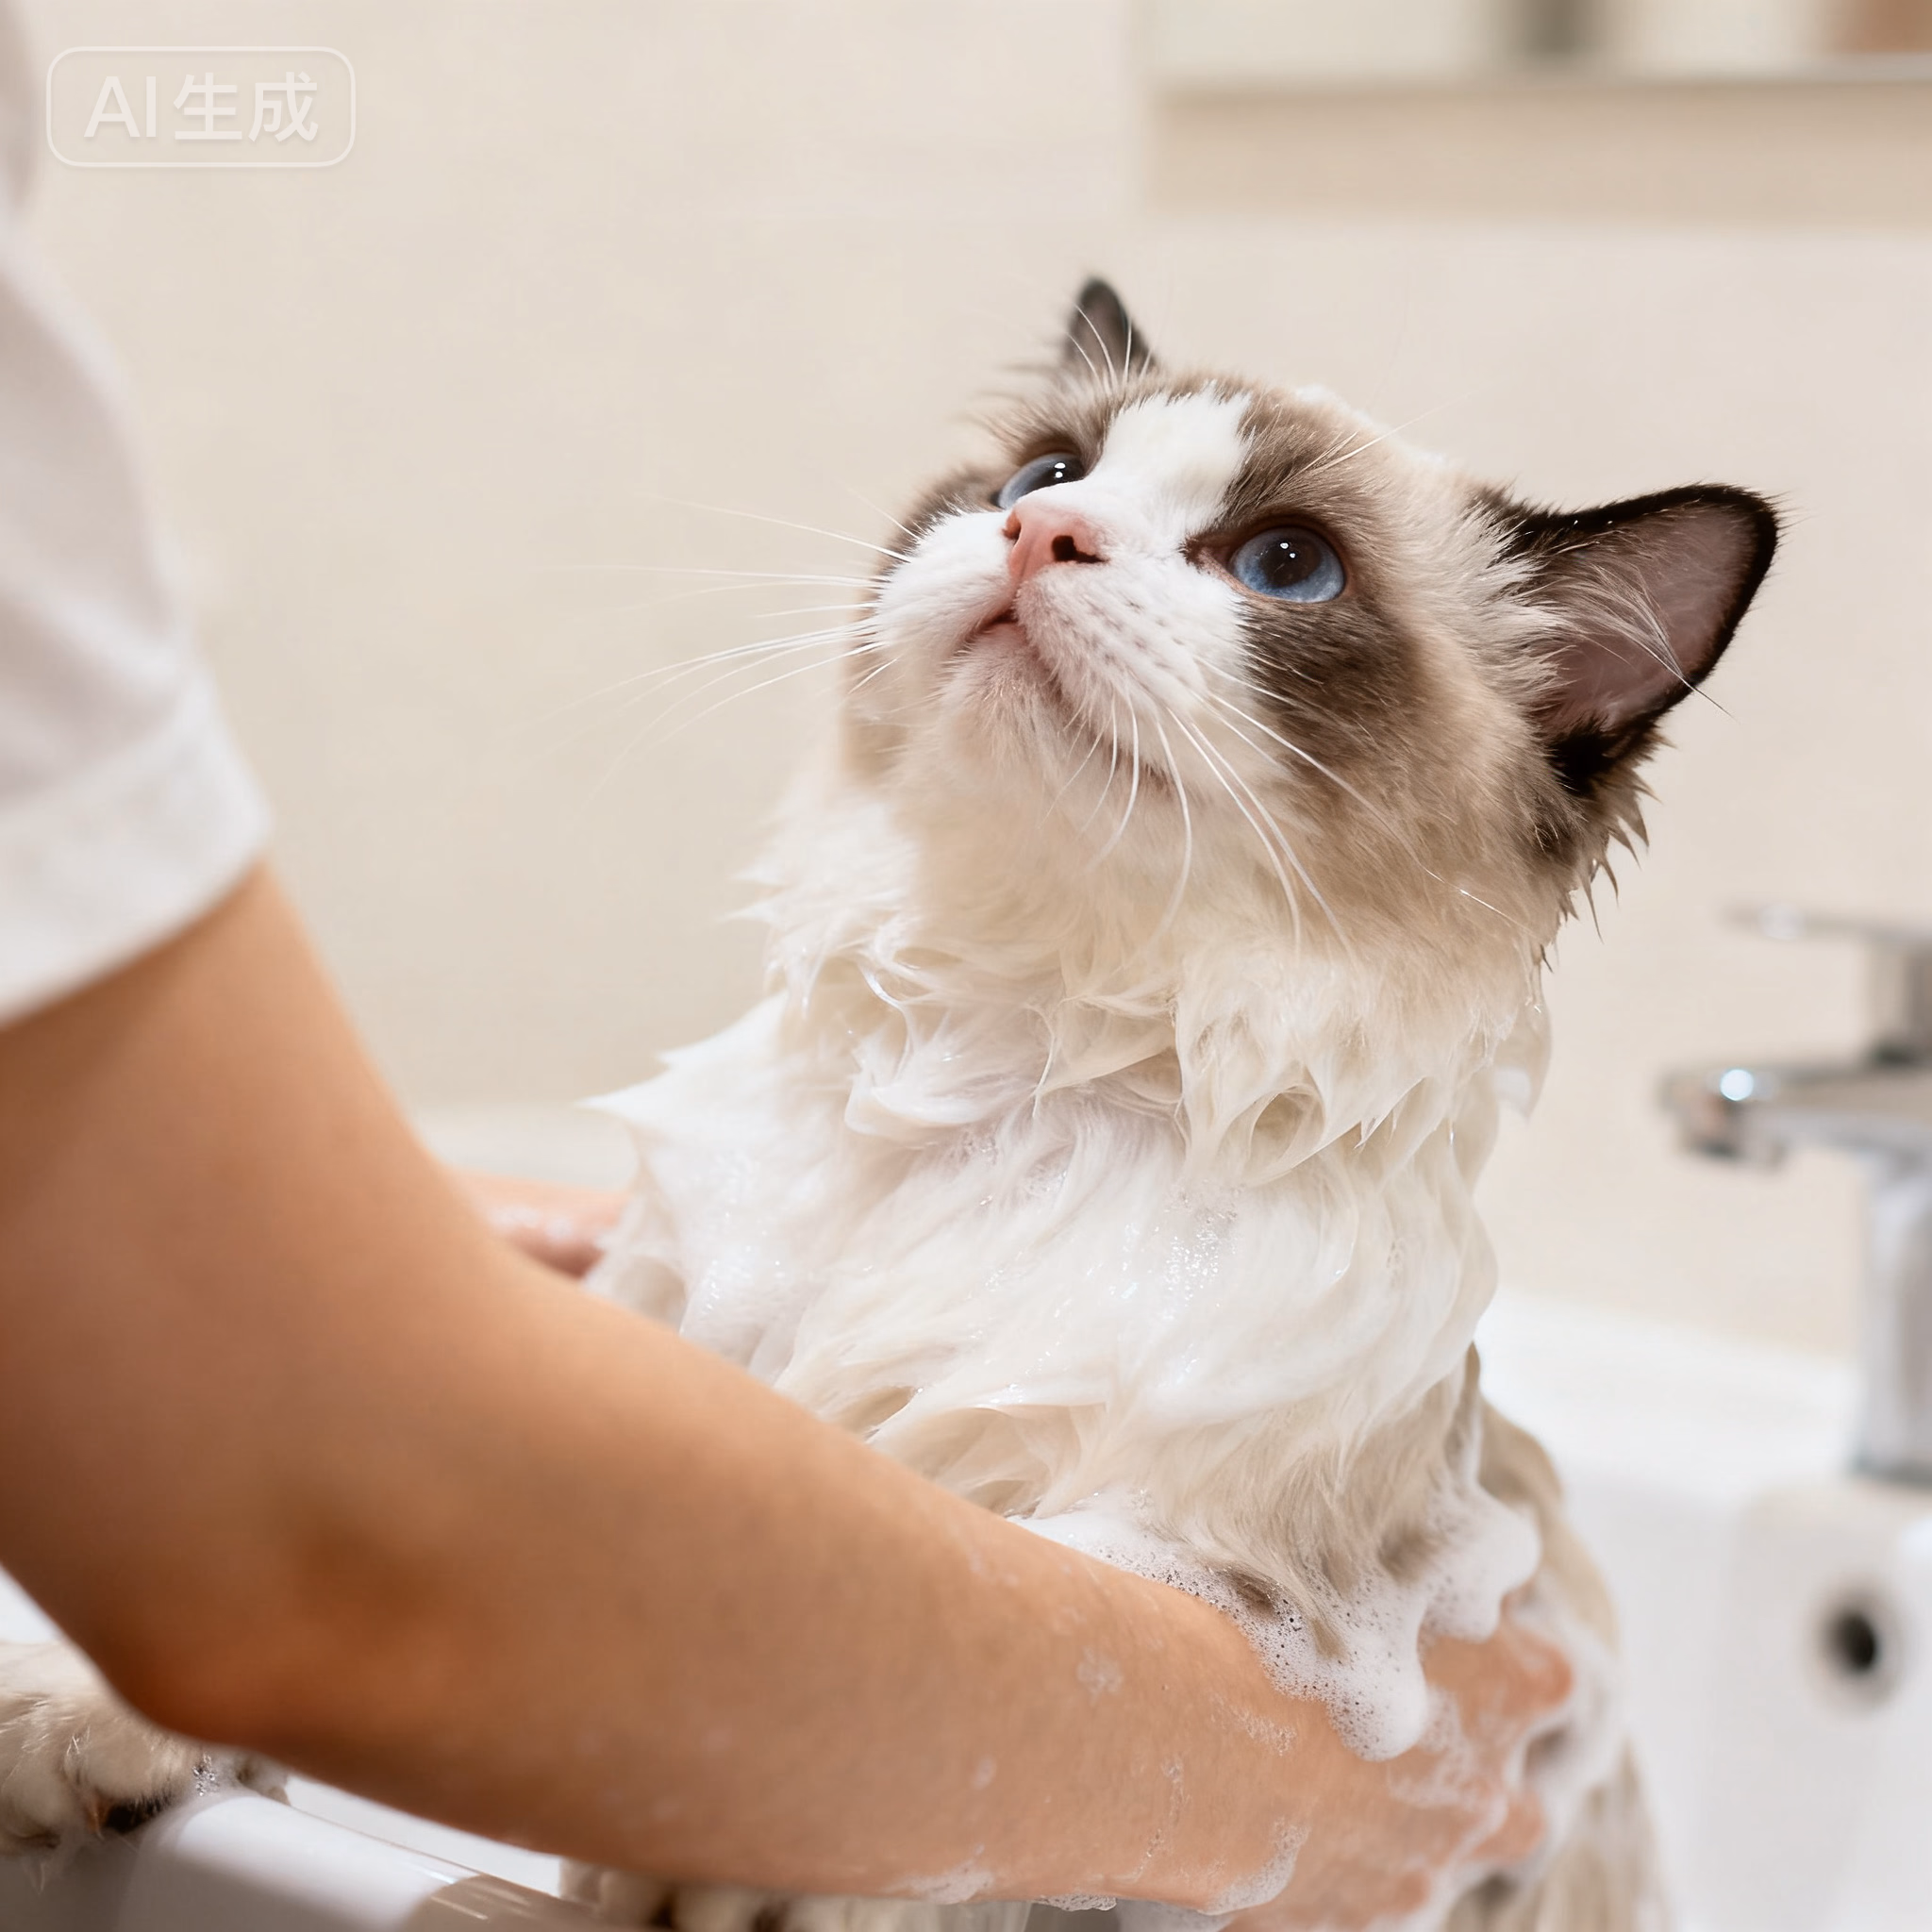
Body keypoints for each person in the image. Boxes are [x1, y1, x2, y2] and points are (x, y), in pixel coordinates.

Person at [0, 14, 1569, 1924]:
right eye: (1049, 464)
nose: (1053, 528)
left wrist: (351, 1273)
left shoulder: (1314, 1360)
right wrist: (1281, 1773)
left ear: (1554, 735)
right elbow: (343, 1544)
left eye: (1284, 565)